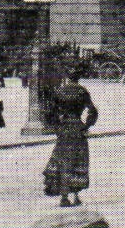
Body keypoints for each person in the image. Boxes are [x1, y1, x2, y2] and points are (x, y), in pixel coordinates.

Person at [42, 70, 99, 207]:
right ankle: (76, 196)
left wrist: (56, 126)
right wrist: (86, 125)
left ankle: (64, 196)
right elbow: (93, 111)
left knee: (63, 161)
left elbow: (50, 112)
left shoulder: (60, 91)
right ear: (78, 78)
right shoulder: (82, 91)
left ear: (68, 77)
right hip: (78, 129)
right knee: (78, 161)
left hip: (65, 129)